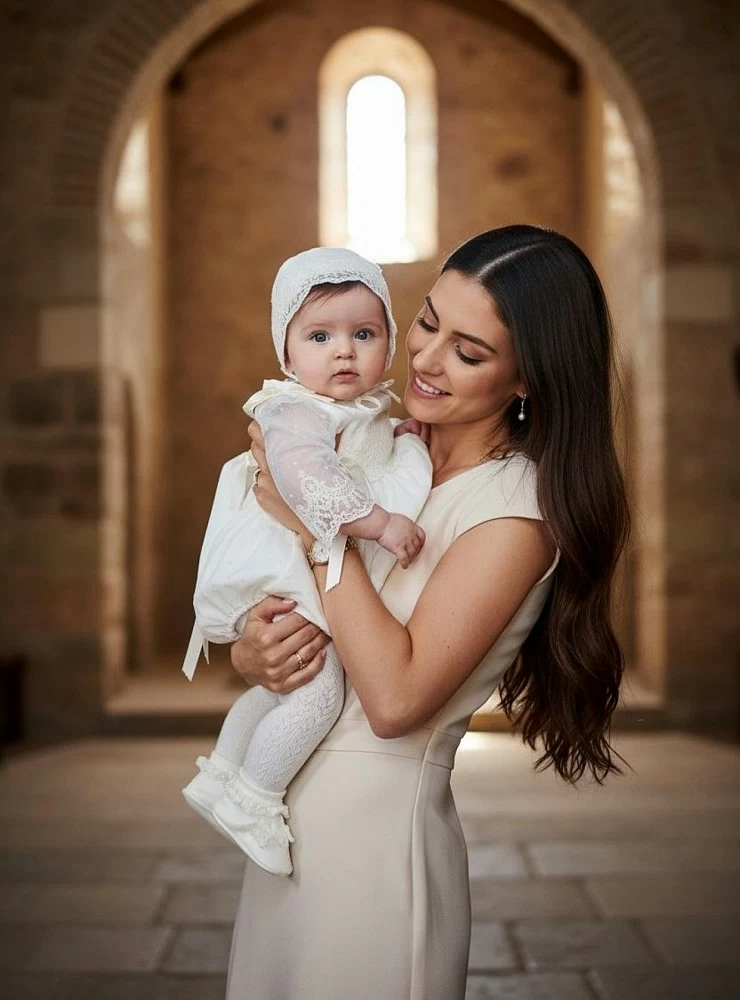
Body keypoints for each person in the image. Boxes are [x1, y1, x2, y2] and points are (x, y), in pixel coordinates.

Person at [225, 226, 630, 1000]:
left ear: (527, 380)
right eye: (428, 320)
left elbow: (396, 700)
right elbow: (321, 626)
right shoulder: (378, 449)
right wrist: (257, 653)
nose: (427, 357)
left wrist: (318, 529)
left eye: (468, 352)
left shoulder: (513, 512)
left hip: (375, 847)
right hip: (288, 833)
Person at [181, 247, 432, 876]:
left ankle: (221, 778)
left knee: (282, 686)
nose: (343, 351)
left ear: (389, 343)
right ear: (287, 354)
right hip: (275, 569)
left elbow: (362, 456)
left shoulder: (358, 412)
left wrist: (400, 439)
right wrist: (378, 522)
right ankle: (255, 801)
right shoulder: (292, 409)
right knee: (317, 689)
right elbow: (305, 477)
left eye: (364, 334)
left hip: (291, 569)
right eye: (320, 335)